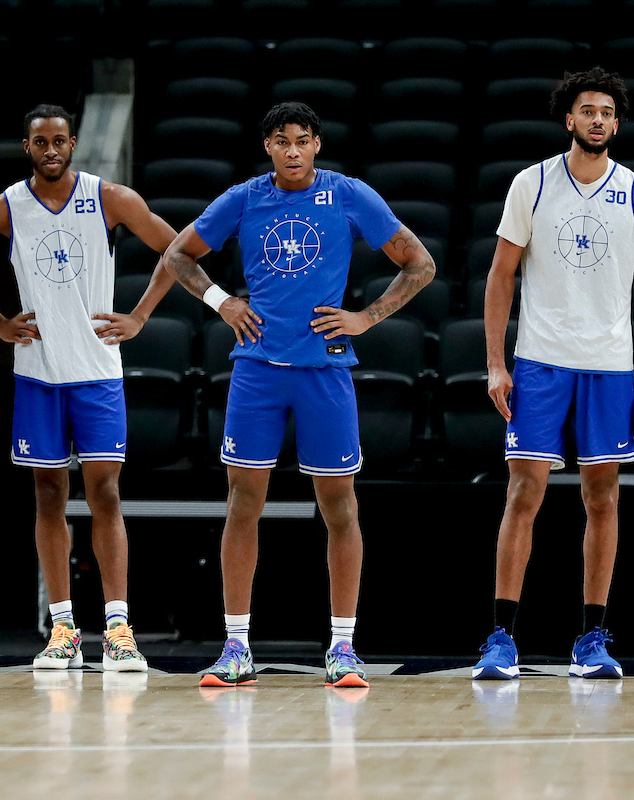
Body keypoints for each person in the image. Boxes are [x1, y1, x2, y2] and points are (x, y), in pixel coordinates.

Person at [163, 101, 435, 688]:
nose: (292, 150)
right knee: (243, 502)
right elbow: (177, 254)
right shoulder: (243, 198)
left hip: (324, 370)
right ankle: (236, 645)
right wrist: (222, 302)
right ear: (268, 146)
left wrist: (367, 317)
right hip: (257, 368)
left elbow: (420, 263)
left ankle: (342, 647)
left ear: (317, 145)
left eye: (303, 140)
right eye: (282, 140)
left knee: (340, 508)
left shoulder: (348, 194)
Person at [0, 104, 180, 672]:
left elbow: (176, 249)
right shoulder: (4, 208)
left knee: (105, 496)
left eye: (59, 141)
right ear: (28, 147)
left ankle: (119, 628)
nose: (51, 150)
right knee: (48, 498)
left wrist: (140, 316)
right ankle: (64, 629)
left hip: (98, 372)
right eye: (40, 142)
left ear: (73, 144)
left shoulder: (109, 198)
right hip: (38, 374)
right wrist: (0, 323)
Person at [471, 67, 634, 681]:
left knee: (602, 497)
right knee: (524, 493)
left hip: (608, 364)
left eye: (607, 111)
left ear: (617, 121)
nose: (598, 119)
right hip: (540, 359)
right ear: (568, 119)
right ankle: (502, 637)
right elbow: (501, 275)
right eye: (587, 110)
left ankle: (591, 638)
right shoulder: (531, 185)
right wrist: (497, 362)